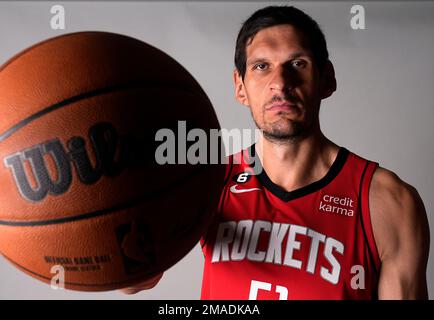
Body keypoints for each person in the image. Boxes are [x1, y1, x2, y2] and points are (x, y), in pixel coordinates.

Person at [121, 5, 430, 299]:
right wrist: (121, 191)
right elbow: (136, 280)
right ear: (240, 87)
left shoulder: (387, 202)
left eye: (297, 64)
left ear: (326, 78)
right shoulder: (209, 183)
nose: (280, 83)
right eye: (261, 66)